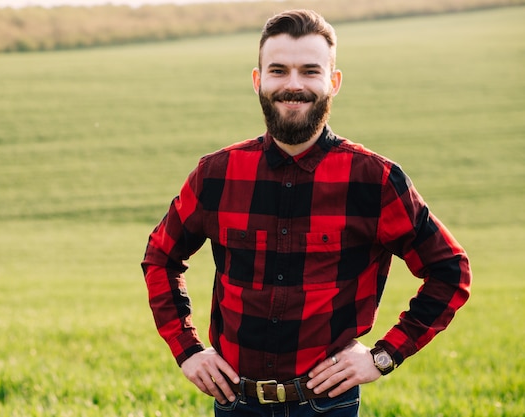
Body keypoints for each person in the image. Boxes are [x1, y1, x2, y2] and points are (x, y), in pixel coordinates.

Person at [142, 9, 471, 417]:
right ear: (258, 80)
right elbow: (160, 256)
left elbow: (450, 271)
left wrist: (384, 356)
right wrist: (187, 350)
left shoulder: (375, 180)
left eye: (309, 71)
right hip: (235, 403)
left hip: (327, 406)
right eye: (278, 70)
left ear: (333, 82)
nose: (293, 85)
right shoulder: (216, 175)